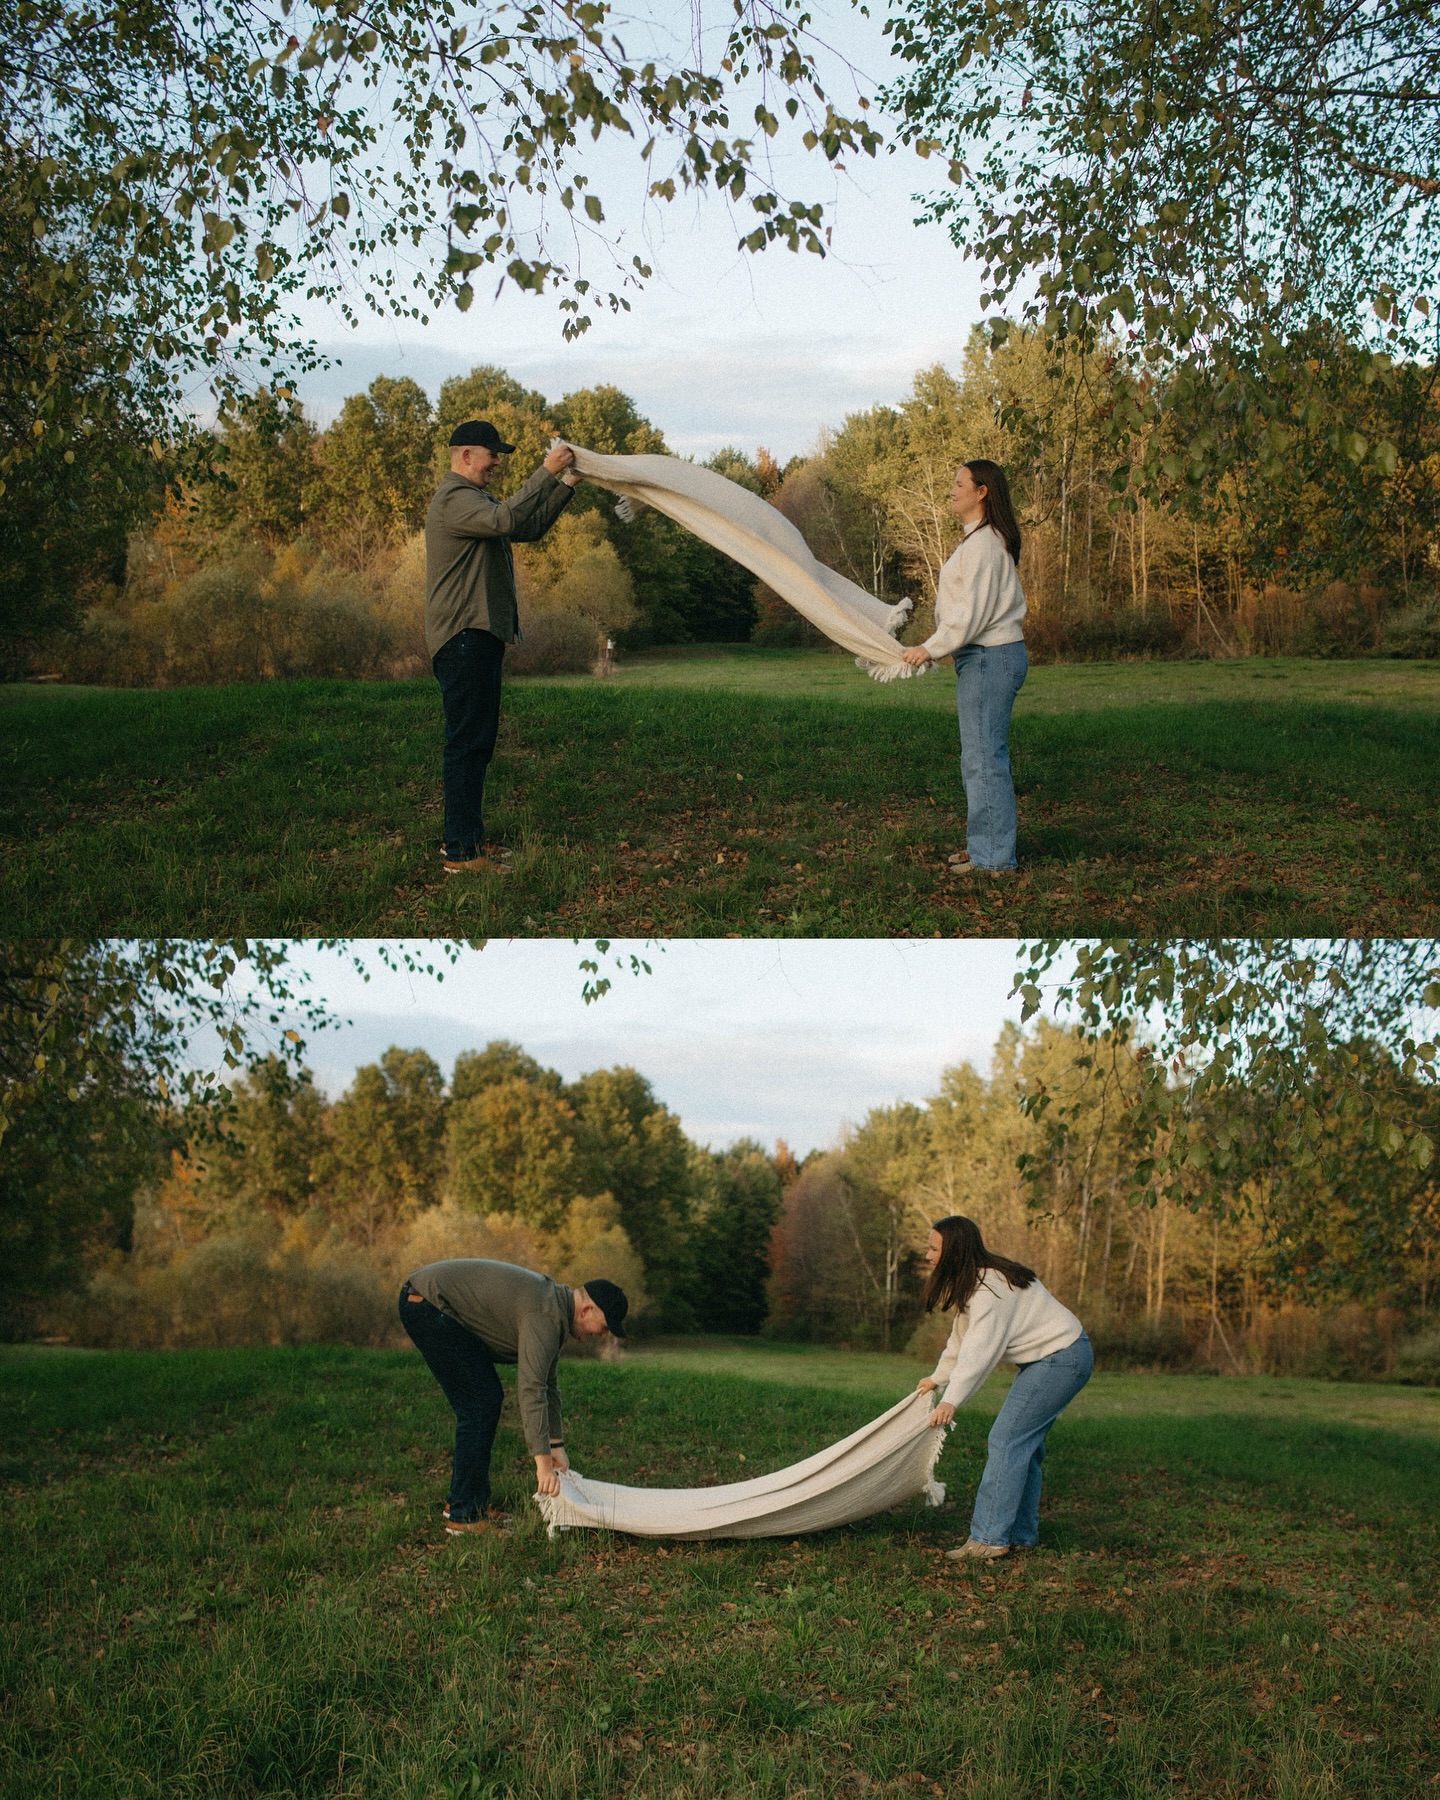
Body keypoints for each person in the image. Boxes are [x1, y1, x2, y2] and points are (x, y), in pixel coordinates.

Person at [425, 422, 581, 874]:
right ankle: (461, 854)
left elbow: (525, 527)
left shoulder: (476, 500)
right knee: (467, 743)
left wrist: (566, 482)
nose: (497, 462)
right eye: (491, 454)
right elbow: (507, 519)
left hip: (478, 635)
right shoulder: (454, 499)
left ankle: (465, 841)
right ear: (466, 455)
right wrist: (546, 470)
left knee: (475, 742)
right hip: (463, 636)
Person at [399, 1257, 628, 1534]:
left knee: (483, 1400)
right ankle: (464, 1516)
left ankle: (466, 1501)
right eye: (604, 1326)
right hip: (426, 1302)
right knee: (480, 1403)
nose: (602, 1335)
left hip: (428, 1300)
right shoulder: (544, 1317)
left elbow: (548, 1386)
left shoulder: (554, 1312)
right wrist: (543, 1465)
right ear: (586, 1310)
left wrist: (556, 1446)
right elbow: (531, 1390)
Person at [915, 1214, 1091, 1561]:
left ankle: (989, 1538)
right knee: (1023, 1446)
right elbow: (961, 1340)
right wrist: (938, 1377)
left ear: (953, 1251)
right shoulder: (976, 1282)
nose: (927, 1255)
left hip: (1062, 1358)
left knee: (1006, 1440)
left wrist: (951, 1400)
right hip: (1058, 1357)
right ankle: (1020, 1534)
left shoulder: (989, 1290)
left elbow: (980, 1353)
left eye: (933, 1248)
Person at [901, 460, 1028, 874]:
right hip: (984, 657)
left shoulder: (985, 545)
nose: (951, 490)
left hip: (990, 656)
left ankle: (994, 860)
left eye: (959, 484)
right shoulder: (978, 540)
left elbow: (968, 614)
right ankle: (985, 849)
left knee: (984, 757)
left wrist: (930, 648)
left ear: (982, 491)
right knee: (979, 755)